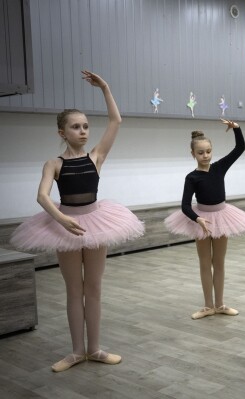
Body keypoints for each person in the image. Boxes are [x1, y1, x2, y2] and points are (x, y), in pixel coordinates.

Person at [10, 71, 144, 372]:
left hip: (96, 222)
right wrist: (61, 220)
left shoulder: (96, 156)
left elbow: (115, 122)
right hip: (64, 226)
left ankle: (94, 349)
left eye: (85, 126)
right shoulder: (54, 163)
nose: (83, 131)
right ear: (62, 133)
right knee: (74, 290)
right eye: (75, 127)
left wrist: (105, 88)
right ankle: (75, 351)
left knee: (93, 288)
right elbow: (42, 196)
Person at [165, 119, 245, 319]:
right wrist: (197, 219)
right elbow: (185, 206)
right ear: (193, 154)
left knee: (219, 262)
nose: (205, 155)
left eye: (208, 151)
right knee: (205, 263)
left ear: (211, 151)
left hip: (222, 217)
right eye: (200, 152)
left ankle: (220, 304)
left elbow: (240, 148)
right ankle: (207, 306)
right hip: (202, 220)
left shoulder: (219, 167)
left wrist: (237, 129)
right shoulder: (192, 177)